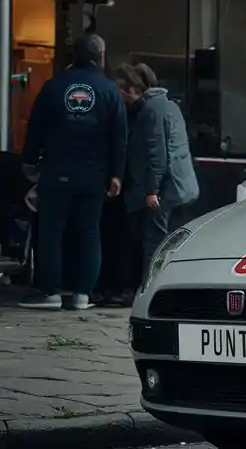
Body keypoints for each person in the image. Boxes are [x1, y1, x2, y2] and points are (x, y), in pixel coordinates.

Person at [19, 33, 127, 310]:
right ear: (101, 57)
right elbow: (119, 136)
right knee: (89, 233)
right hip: (94, 175)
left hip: (57, 172)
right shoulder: (109, 90)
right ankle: (82, 294)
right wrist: (116, 173)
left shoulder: (54, 87)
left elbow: (35, 129)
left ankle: (50, 293)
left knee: (51, 233)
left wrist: (30, 162)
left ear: (73, 55)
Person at [115, 64, 199, 281]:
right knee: (168, 241)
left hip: (164, 190)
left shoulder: (151, 110)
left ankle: (151, 286)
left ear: (133, 88)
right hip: (177, 186)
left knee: (155, 241)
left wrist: (151, 190)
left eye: (121, 90)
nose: (120, 96)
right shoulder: (167, 105)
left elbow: (157, 154)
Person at [96, 63, 157, 307]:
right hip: (127, 183)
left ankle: (119, 286)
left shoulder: (140, 112)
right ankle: (118, 286)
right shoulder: (139, 110)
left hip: (128, 185)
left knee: (123, 239)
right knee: (123, 239)